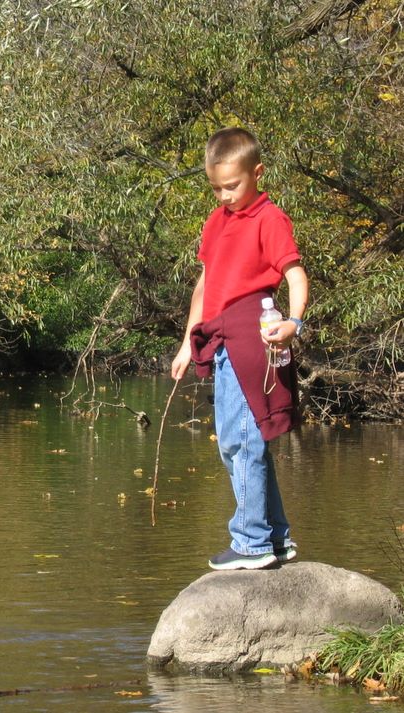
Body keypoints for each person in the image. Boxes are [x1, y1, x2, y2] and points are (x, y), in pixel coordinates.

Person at [171, 127, 309, 571]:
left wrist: (293, 322)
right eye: (216, 188)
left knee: (241, 439)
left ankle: (251, 542)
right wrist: (186, 343)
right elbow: (205, 286)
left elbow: (295, 275)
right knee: (240, 441)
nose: (225, 195)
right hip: (220, 337)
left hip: (253, 337)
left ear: (257, 173)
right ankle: (276, 537)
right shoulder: (216, 222)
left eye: (232, 185)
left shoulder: (270, 218)